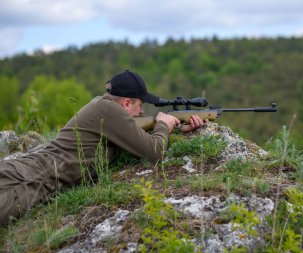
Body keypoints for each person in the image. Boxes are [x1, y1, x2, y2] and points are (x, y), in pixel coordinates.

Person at [0, 69, 206, 226]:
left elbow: (135, 139)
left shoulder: (103, 106)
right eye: (139, 106)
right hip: (26, 181)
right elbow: (155, 152)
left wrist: (177, 127)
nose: (142, 111)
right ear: (126, 103)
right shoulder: (108, 110)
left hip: (28, 175)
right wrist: (162, 124)